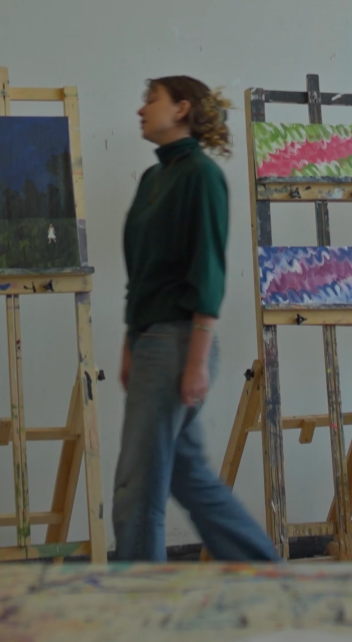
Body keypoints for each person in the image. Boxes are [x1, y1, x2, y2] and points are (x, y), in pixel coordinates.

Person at [112, 76, 278, 561]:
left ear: (181, 108)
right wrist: (130, 340)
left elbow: (207, 270)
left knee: (137, 488)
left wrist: (196, 359)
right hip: (152, 340)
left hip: (179, 341)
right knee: (188, 476)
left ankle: (141, 611)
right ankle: (269, 575)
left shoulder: (201, 176)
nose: (141, 109)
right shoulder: (152, 179)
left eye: (151, 100)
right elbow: (143, 271)